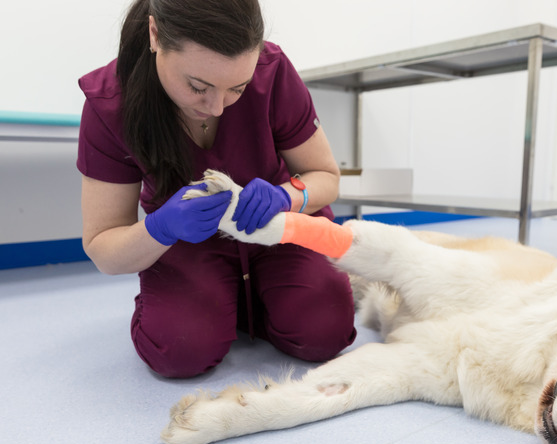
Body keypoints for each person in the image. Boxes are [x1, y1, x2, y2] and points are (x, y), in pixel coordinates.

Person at [77, 0, 356, 378]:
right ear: (155, 34)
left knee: (325, 332)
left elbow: (326, 176)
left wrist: (287, 196)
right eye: (197, 86)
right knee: (179, 351)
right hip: (189, 245)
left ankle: (244, 298)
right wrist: (161, 228)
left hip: (277, 230)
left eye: (237, 89)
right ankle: (228, 301)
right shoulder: (110, 104)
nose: (218, 107)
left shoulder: (271, 71)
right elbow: (103, 249)